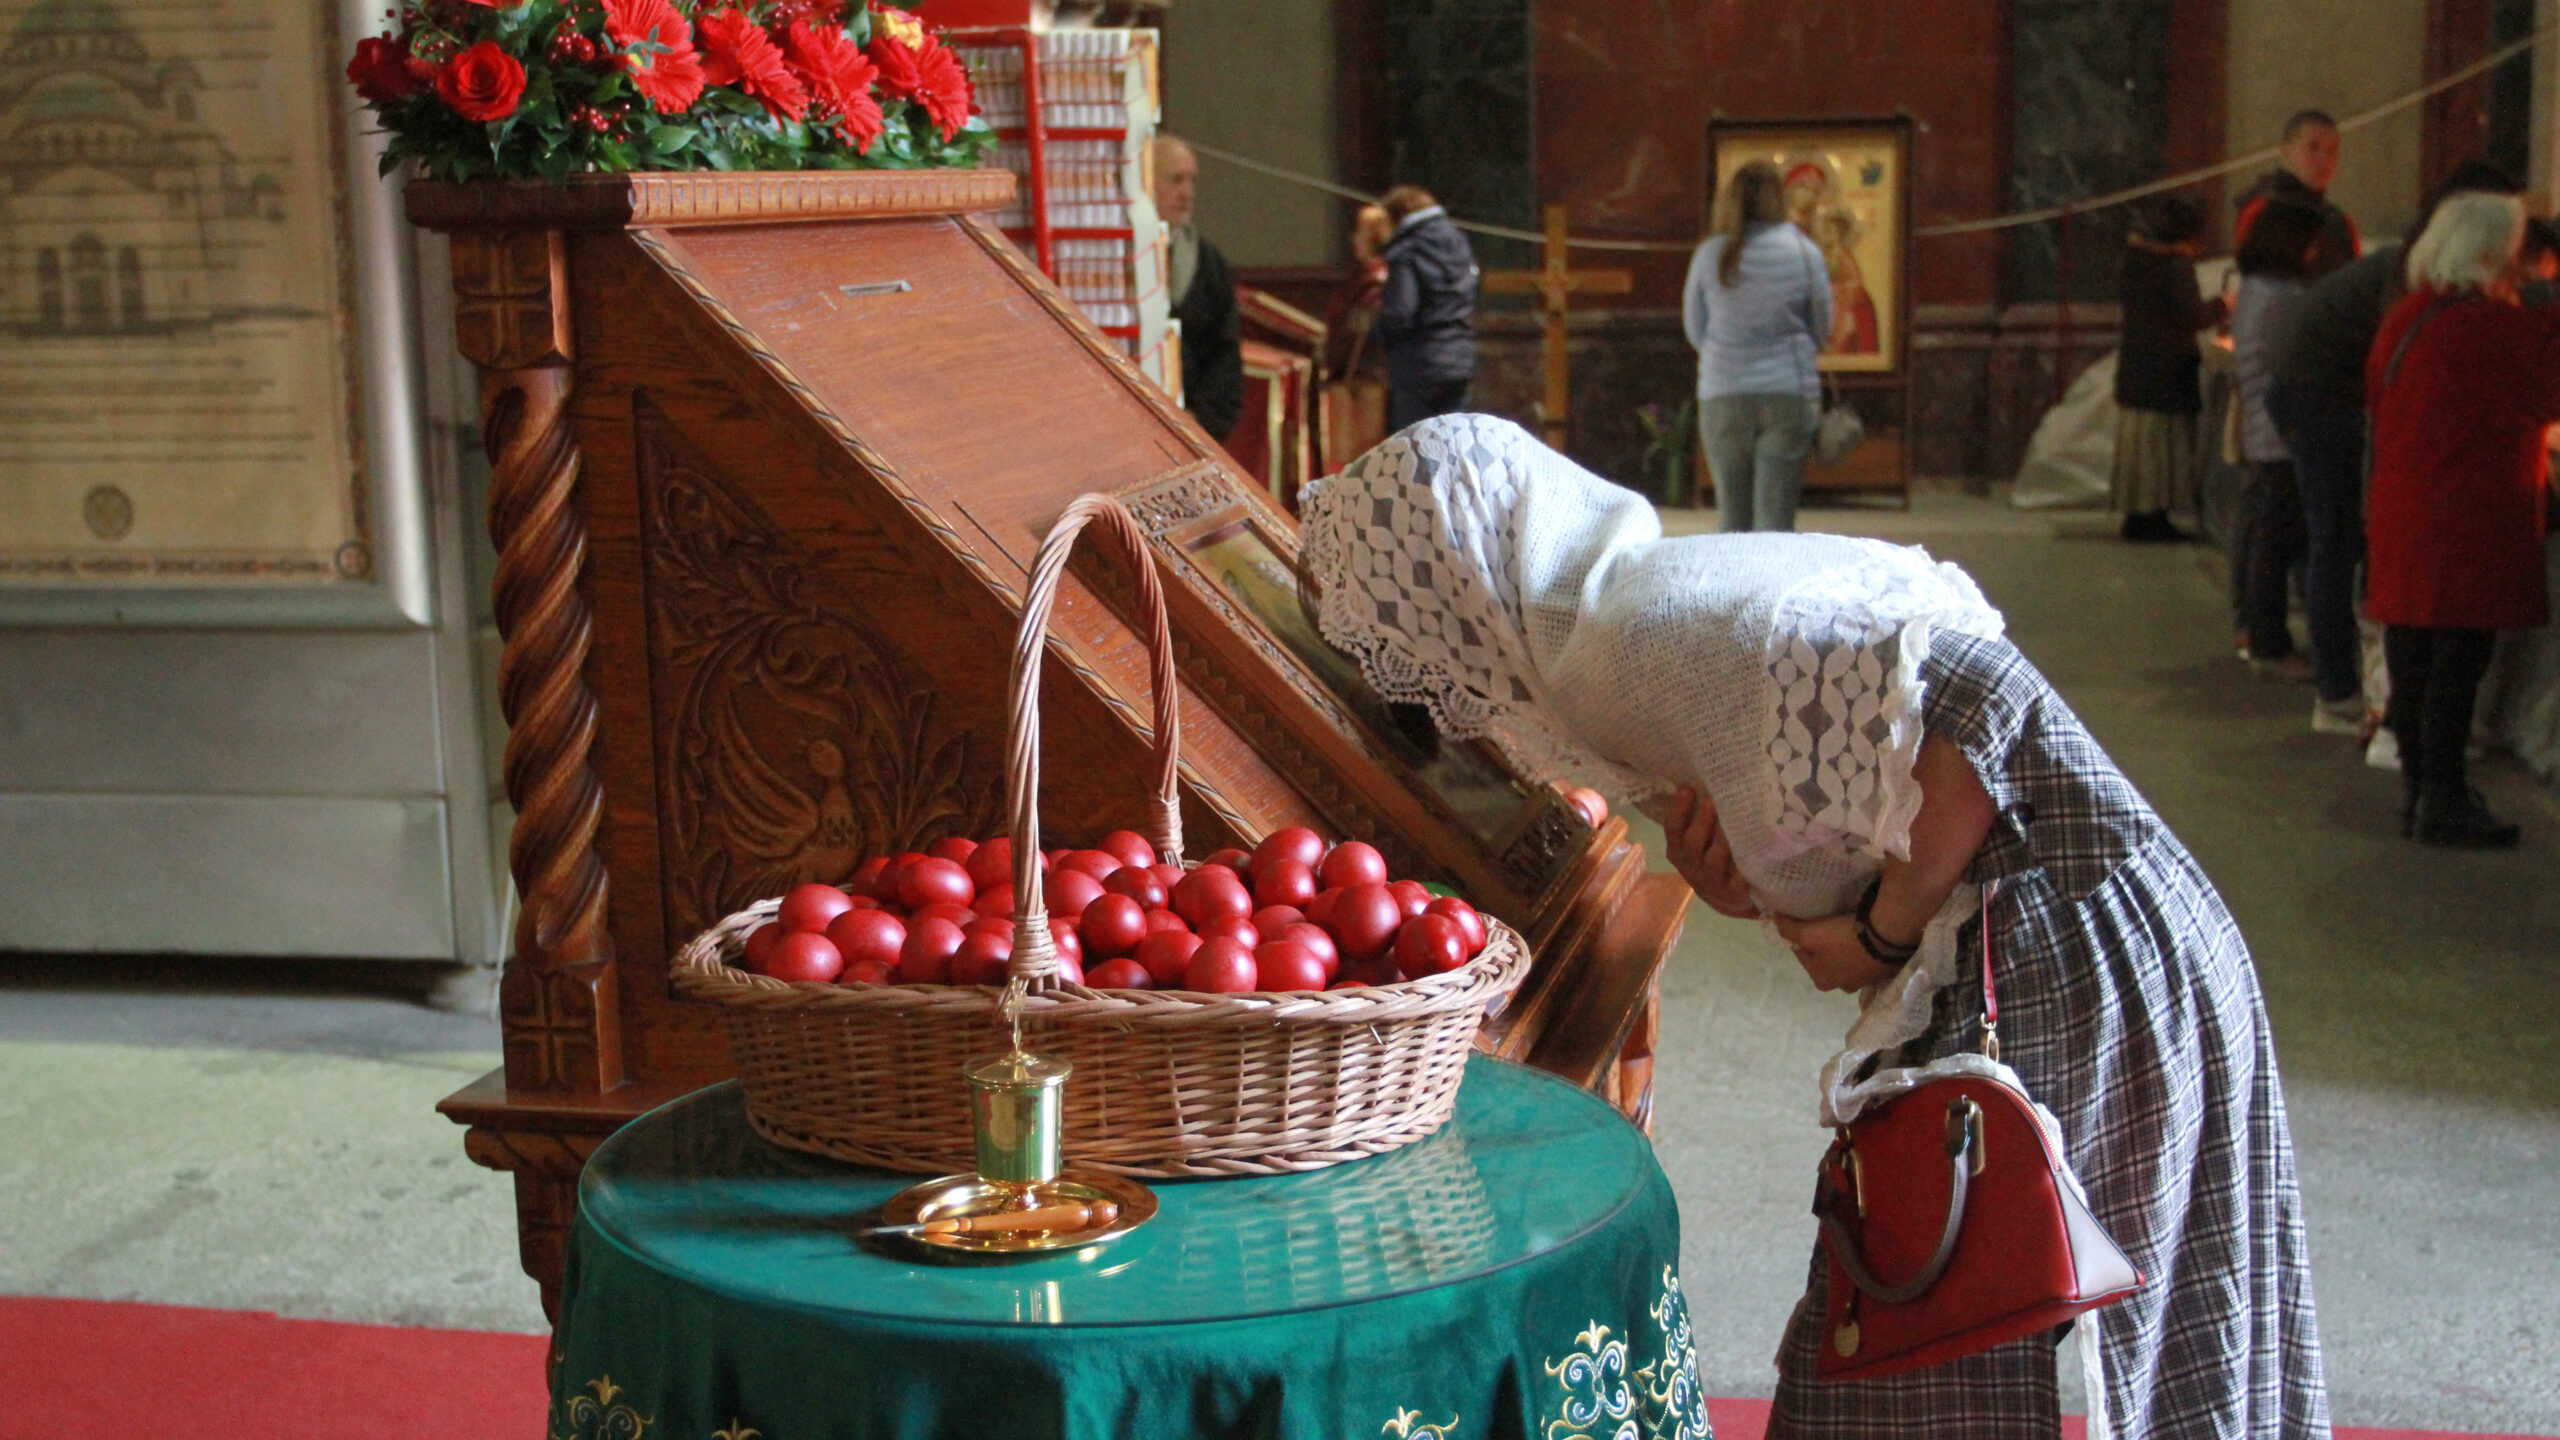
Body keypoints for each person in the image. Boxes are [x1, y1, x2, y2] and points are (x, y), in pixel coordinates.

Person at [1298, 414, 2328, 1439]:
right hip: (2096, 926)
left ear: (1450, 593)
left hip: (2068, 947)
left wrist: (1880, 932)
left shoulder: (1630, 638)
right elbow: (1853, 776)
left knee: (1906, 1355)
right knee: (1921, 1353)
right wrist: (1759, 878)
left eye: (1396, 643)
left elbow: (1989, 704)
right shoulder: (1624, 607)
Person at [2267, 159, 2523, 733]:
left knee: (2334, 542)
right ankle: (2340, 694)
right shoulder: (2421, 275)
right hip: (2320, 391)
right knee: (2337, 542)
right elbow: (2418, 367)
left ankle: (2355, 695)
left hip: (2313, 384)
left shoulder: (2423, 260)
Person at [2364, 192, 2560, 848]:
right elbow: (2549, 385)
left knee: (2414, 662)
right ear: (2491, 255)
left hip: (2407, 511)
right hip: (2463, 522)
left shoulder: (2410, 313)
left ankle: (2421, 790)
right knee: (2456, 665)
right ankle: (2444, 799)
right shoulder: (2487, 328)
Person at [1683, 159, 1834, 533]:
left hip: (1723, 393)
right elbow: (1823, 327)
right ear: (1779, 198)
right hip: (1788, 393)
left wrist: (1726, 354)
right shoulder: (1804, 252)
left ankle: (1732, 574)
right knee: (1775, 519)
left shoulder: (1709, 254)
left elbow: (1695, 328)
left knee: (1732, 518)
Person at [2230, 201, 2332, 681]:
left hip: (2265, 428)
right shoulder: (2284, 297)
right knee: (2277, 545)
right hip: (2283, 435)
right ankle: (2269, 642)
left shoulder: (2256, 290)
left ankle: (2261, 635)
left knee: (2267, 541)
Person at [2112, 197, 2223, 542]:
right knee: (2162, 450)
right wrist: (2223, 305)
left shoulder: (2135, 261)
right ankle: (2154, 517)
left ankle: (2138, 515)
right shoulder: (2174, 267)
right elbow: (2194, 315)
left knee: (2141, 449)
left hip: (2137, 368)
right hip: (2168, 372)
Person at [1152, 134, 1242, 442]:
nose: (1187, 193)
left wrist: (1201, 421)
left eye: (1192, 181)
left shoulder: (1209, 262)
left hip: (1196, 426)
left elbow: (1225, 355)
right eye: (1175, 180)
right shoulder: (1117, 256)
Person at [1375, 184, 1481, 433]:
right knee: (1453, 439)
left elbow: (1401, 311)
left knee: (1413, 442)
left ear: (1396, 217)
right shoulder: (1459, 242)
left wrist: (1376, 333)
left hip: (1418, 363)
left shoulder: (1407, 250)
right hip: (1460, 360)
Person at [2234, 110, 2359, 275]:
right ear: (2287, 151)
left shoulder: (2342, 223)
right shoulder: (2261, 208)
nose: (2324, 159)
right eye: (2313, 148)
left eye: (2332, 150)